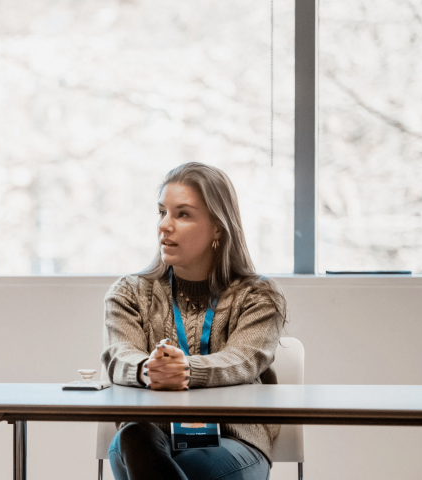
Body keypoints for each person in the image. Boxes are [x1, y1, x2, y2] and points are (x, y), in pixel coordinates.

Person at [102, 162, 286, 480]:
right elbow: (119, 355)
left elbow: (244, 359)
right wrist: (147, 369)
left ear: (218, 226)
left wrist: (187, 370)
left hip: (232, 441)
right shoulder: (129, 292)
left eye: (182, 214)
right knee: (135, 437)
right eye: (162, 212)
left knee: (180, 470)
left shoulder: (259, 295)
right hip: (147, 440)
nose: (164, 225)